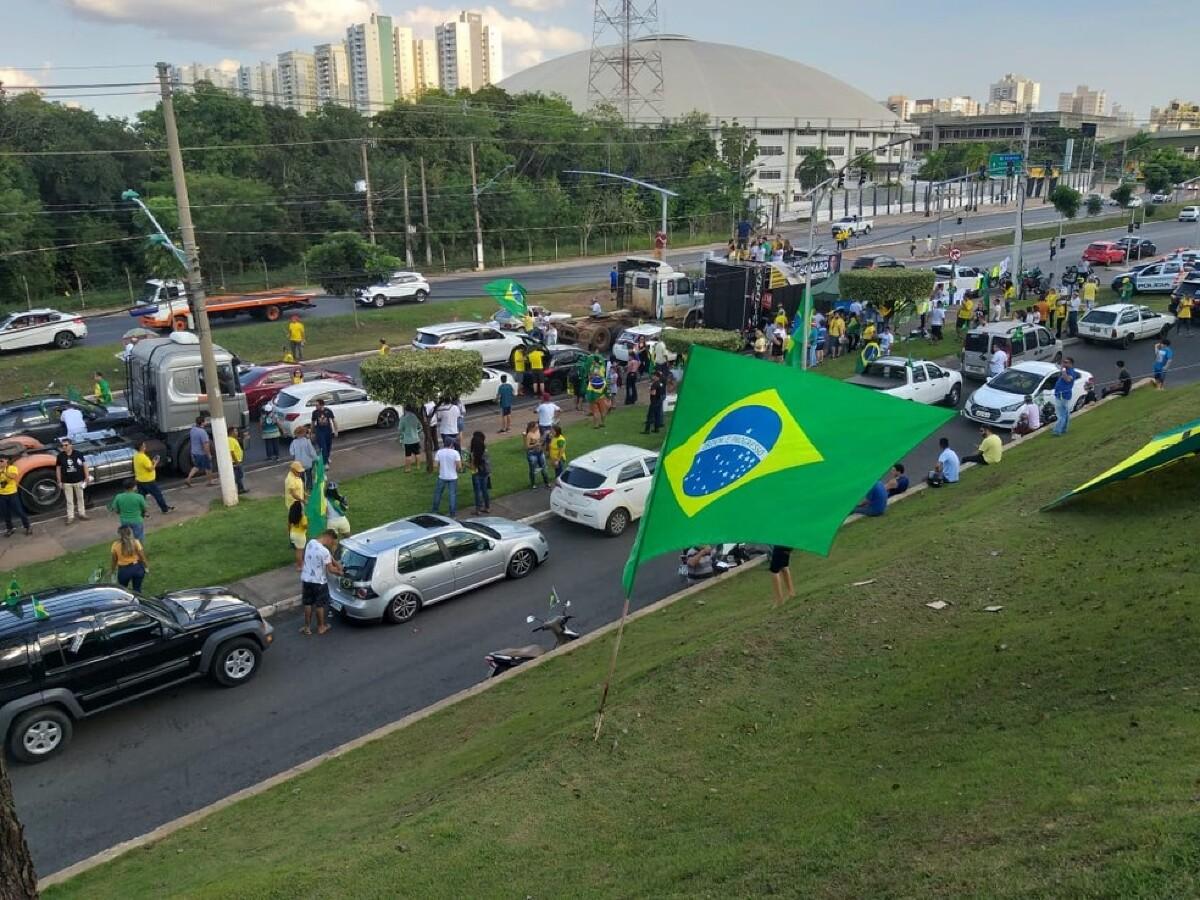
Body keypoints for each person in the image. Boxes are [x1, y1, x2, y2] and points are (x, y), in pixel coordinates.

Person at [300, 529, 342, 636]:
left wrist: (335, 562)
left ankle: (307, 627)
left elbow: (327, 557)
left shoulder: (310, 543)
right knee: (320, 605)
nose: (331, 544)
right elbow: (331, 570)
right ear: (329, 537)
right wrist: (339, 572)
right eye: (332, 541)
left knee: (308, 603)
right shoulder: (325, 552)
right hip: (319, 582)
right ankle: (321, 627)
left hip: (306, 579)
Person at [56, 437, 90, 524]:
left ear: (71, 445)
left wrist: (86, 478)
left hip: (78, 480)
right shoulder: (60, 456)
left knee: (80, 498)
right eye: (62, 445)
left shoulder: (78, 454)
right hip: (66, 482)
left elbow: (84, 465)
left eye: (66, 445)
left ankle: (82, 513)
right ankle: (70, 516)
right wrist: (59, 481)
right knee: (69, 500)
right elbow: (58, 469)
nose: (64, 447)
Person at [134, 439, 172, 514]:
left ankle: (142, 512)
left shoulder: (136, 456)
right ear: (141, 447)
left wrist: (152, 462)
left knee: (142, 497)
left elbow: (144, 466)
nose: (145, 446)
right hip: (148, 481)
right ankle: (165, 509)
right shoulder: (143, 457)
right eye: (144, 445)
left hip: (140, 480)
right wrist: (156, 463)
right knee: (158, 495)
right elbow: (150, 469)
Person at [109, 525, 149, 591]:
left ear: (119, 534)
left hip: (124, 570)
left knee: (123, 591)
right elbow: (142, 557)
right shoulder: (135, 542)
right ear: (130, 533)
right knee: (137, 590)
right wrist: (146, 567)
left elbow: (114, 560)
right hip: (137, 568)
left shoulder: (115, 545)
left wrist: (112, 570)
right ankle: (137, 600)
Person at [0, 455, 30, 537]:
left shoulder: (12, 468)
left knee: (19, 511)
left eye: (1, 461)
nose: (0, 463)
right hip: (2, 495)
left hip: (12, 493)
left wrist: (4, 471)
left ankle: (27, 527)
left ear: (7, 461)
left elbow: (13, 476)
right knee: (5, 513)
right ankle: (9, 529)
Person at [431, 441, 462, 516]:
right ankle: (452, 513)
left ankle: (434, 511)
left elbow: (435, 465)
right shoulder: (455, 453)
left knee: (438, 494)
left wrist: (440, 469)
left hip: (442, 476)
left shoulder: (439, 452)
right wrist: (457, 470)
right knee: (452, 495)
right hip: (453, 477)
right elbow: (459, 466)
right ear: (451, 444)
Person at [184, 416, 214, 488]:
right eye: (205, 421)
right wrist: (208, 454)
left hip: (194, 452)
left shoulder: (193, 430)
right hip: (202, 453)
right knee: (208, 467)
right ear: (203, 422)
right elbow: (205, 444)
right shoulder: (202, 432)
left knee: (197, 466)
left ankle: (188, 478)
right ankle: (210, 481)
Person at [1052, 357, 1078, 434]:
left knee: (1061, 414)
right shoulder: (1066, 370)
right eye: (1063, 362)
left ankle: (1057, 431)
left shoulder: (1071, 372)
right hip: (1060, 394)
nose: (1064, 364)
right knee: (1065, 414)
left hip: (1063, 395)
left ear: (1071, 364)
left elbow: (1067, 379)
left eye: (1066, 362)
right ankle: (1063, 429)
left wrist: (1063, 370)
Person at [309, 398, 337, 465]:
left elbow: (334, 420)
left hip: (328, 430)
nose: (316, 406)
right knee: (323, 447)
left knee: (328, 446)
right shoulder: (315, 413)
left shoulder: (328, 411)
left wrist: (336, 430)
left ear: (322, 405)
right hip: (320, 431)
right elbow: (313, 423)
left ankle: (326, 457)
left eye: (317, 405)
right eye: (315, 405)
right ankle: (325, 463)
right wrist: (312, 432)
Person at [468, 431, 491, 515]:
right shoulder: (485, 450)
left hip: (476, 473)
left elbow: (472, 466)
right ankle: (487, 507)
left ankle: (478, 509)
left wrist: (465, 463)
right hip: (485, 472)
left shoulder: (474, 453)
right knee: (485, 490)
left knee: (477, 491)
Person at [523, 421, 551, 489]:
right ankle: (533, 484)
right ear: (532, 428)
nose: (537, 427)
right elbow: (527, 447)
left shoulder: (538, 431)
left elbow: (541, 440)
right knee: (533, 469)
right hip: (532, 454)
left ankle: (547, 482)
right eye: (536, 426)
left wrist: (544, 438)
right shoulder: (529, 434)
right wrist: (536, 444)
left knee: (544, 468)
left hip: (540, 452)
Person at [289, 425, 318, 489]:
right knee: (309, 475)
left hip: (298, 463)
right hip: (308, 462)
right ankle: (309, 487)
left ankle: (301, 487)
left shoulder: (294, 442)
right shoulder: (307, 441)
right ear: (304, 433)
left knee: (301, 476)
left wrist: (294, 460)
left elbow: (292, 453)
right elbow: (312, 452)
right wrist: (316, 458)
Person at [397, 407, 423, 472]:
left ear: (405, 410)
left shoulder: (403, 418)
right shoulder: (416, 417)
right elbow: (420, 427)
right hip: (416, 438)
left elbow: (400, 429)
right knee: (417, 453)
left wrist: (402, 435)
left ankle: (408, 469)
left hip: (407, 440)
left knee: (408, 455)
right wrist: (417, 432)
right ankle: (418, 466)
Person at [228, 428, 247, 494]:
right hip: (235, 462)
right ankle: (239, 489)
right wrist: (237, 462)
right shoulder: (230, 440)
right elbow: (231, 452)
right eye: (235, 431)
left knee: (240, 475)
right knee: (238, 476)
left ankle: (241, 489)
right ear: (231, 432)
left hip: (238, 460)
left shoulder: (234, 439)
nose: (237, 432)